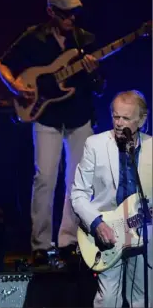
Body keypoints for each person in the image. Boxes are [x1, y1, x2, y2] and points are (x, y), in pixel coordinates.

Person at [0, 0, 106, 266]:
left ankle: (69, 241)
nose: (72, 19)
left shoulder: (85, 40)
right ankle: (41, 245)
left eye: (74, 13)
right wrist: (16, 85)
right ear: (51, 12)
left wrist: (94, 74)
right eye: (66, 14)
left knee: (77, 182)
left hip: (79, 115)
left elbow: (101, 87)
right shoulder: (34, 37)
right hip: (45, 116)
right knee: (44, 178)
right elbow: (2, 65)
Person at [71, 90, 152, 308]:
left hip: (144, 233)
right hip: (107, 234)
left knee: (142, 299)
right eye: (116, 116)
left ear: (142, 120)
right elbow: (78, 194)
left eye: (126, 118)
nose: (119, 123)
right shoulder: (95, 145)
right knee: (108, 300)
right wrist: (96, 223)